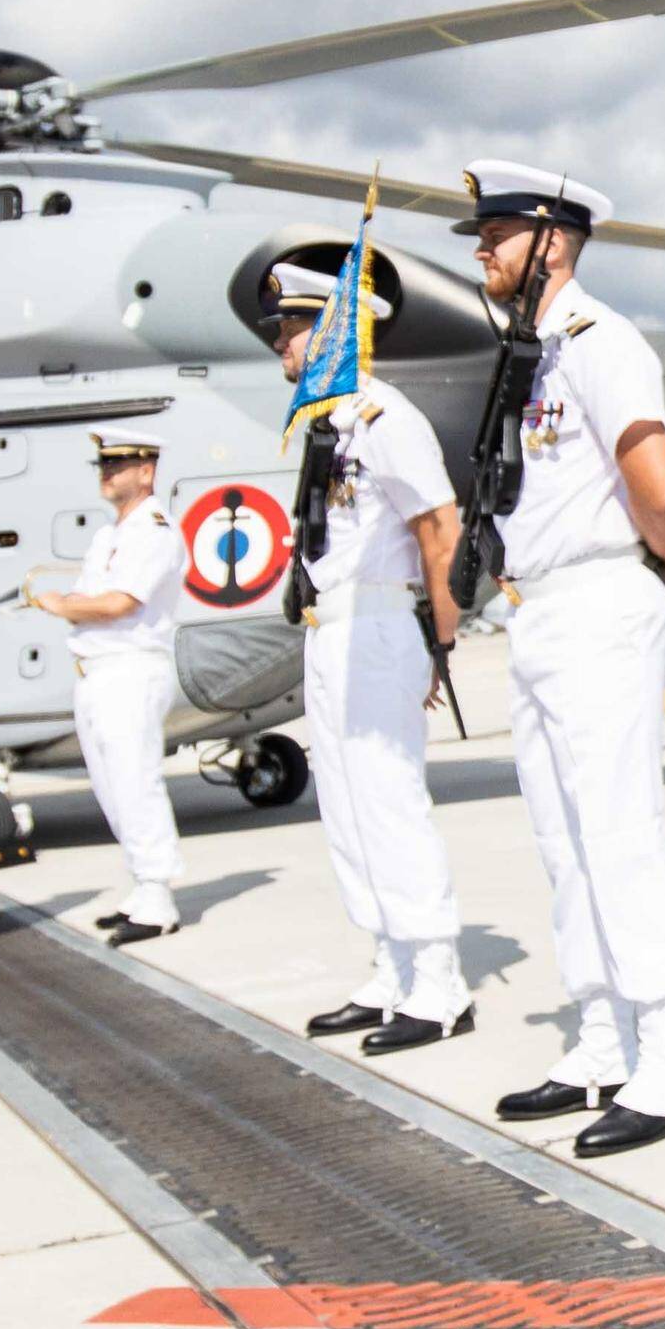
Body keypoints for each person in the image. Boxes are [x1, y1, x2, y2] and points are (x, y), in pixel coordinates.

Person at [453, 161, 665, 1158]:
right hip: (541, 611)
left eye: (496, 234)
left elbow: (656, 484)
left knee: (615, 830)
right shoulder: (532, 355)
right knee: (563, 840)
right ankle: (601, 1038)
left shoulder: (601, 344)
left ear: (550, 241)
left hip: (604, 597)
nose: (480, 251)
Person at [266, 258, 472, 1052]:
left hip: (382, 622)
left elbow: (438, 530)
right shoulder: (330, 423)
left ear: (334, 332)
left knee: (387, 800)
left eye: (292, 328)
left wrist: (440, 641)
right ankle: (390, 965)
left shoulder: (387, 418)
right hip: (332, 629)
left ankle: (439, 980)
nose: (281, 343)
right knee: (346, 807)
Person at [29, 421, 191, 943]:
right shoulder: (110, 535)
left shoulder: (155, 530)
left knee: (134, 779)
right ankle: (142, 887)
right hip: (97, 671)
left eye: (118, 464)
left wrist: (59, 604)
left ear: (146, 472)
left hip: (130, 668)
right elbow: (91, 598)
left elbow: (119, 603)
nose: (107, 472)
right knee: (109, 782)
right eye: (104, 464)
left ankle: (158, 893)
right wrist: (74, 605)